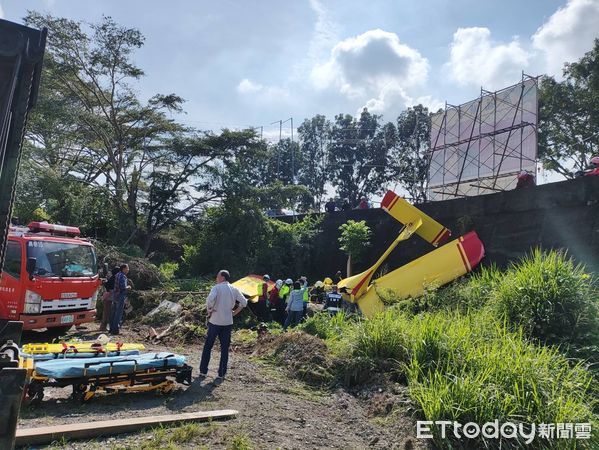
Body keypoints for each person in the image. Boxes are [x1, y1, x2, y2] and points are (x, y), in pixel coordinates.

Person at [199, 269, 247, 380]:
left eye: (217, 276)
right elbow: (244, 302)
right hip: (227, 322)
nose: (216, 278)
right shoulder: (234, 289)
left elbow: (210, 299)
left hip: (215, 321)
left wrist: (209, 309)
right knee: (224, 349)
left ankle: (203, 371)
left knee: (208, 346)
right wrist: (235, 312)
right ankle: (221, 373)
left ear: (223, 277)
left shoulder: (216, 288)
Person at [109, 264, 130, 335]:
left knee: (113, 313)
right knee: (118, 313)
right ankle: (115, 330)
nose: (128, 270)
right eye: (127, 269)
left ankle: (111, 328)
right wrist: (128, 287)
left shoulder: (117, 274)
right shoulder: (122, 276)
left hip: (115, 296)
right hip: (120, 296)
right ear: (123, 269)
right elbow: (122, 287)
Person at [99, 266, 119, 332]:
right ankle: (103, 327)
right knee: (107, 313)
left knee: (106, 312)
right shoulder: (114, 279)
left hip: (107, 296)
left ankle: (103, 326)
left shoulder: (111, 278)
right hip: (109, 297)